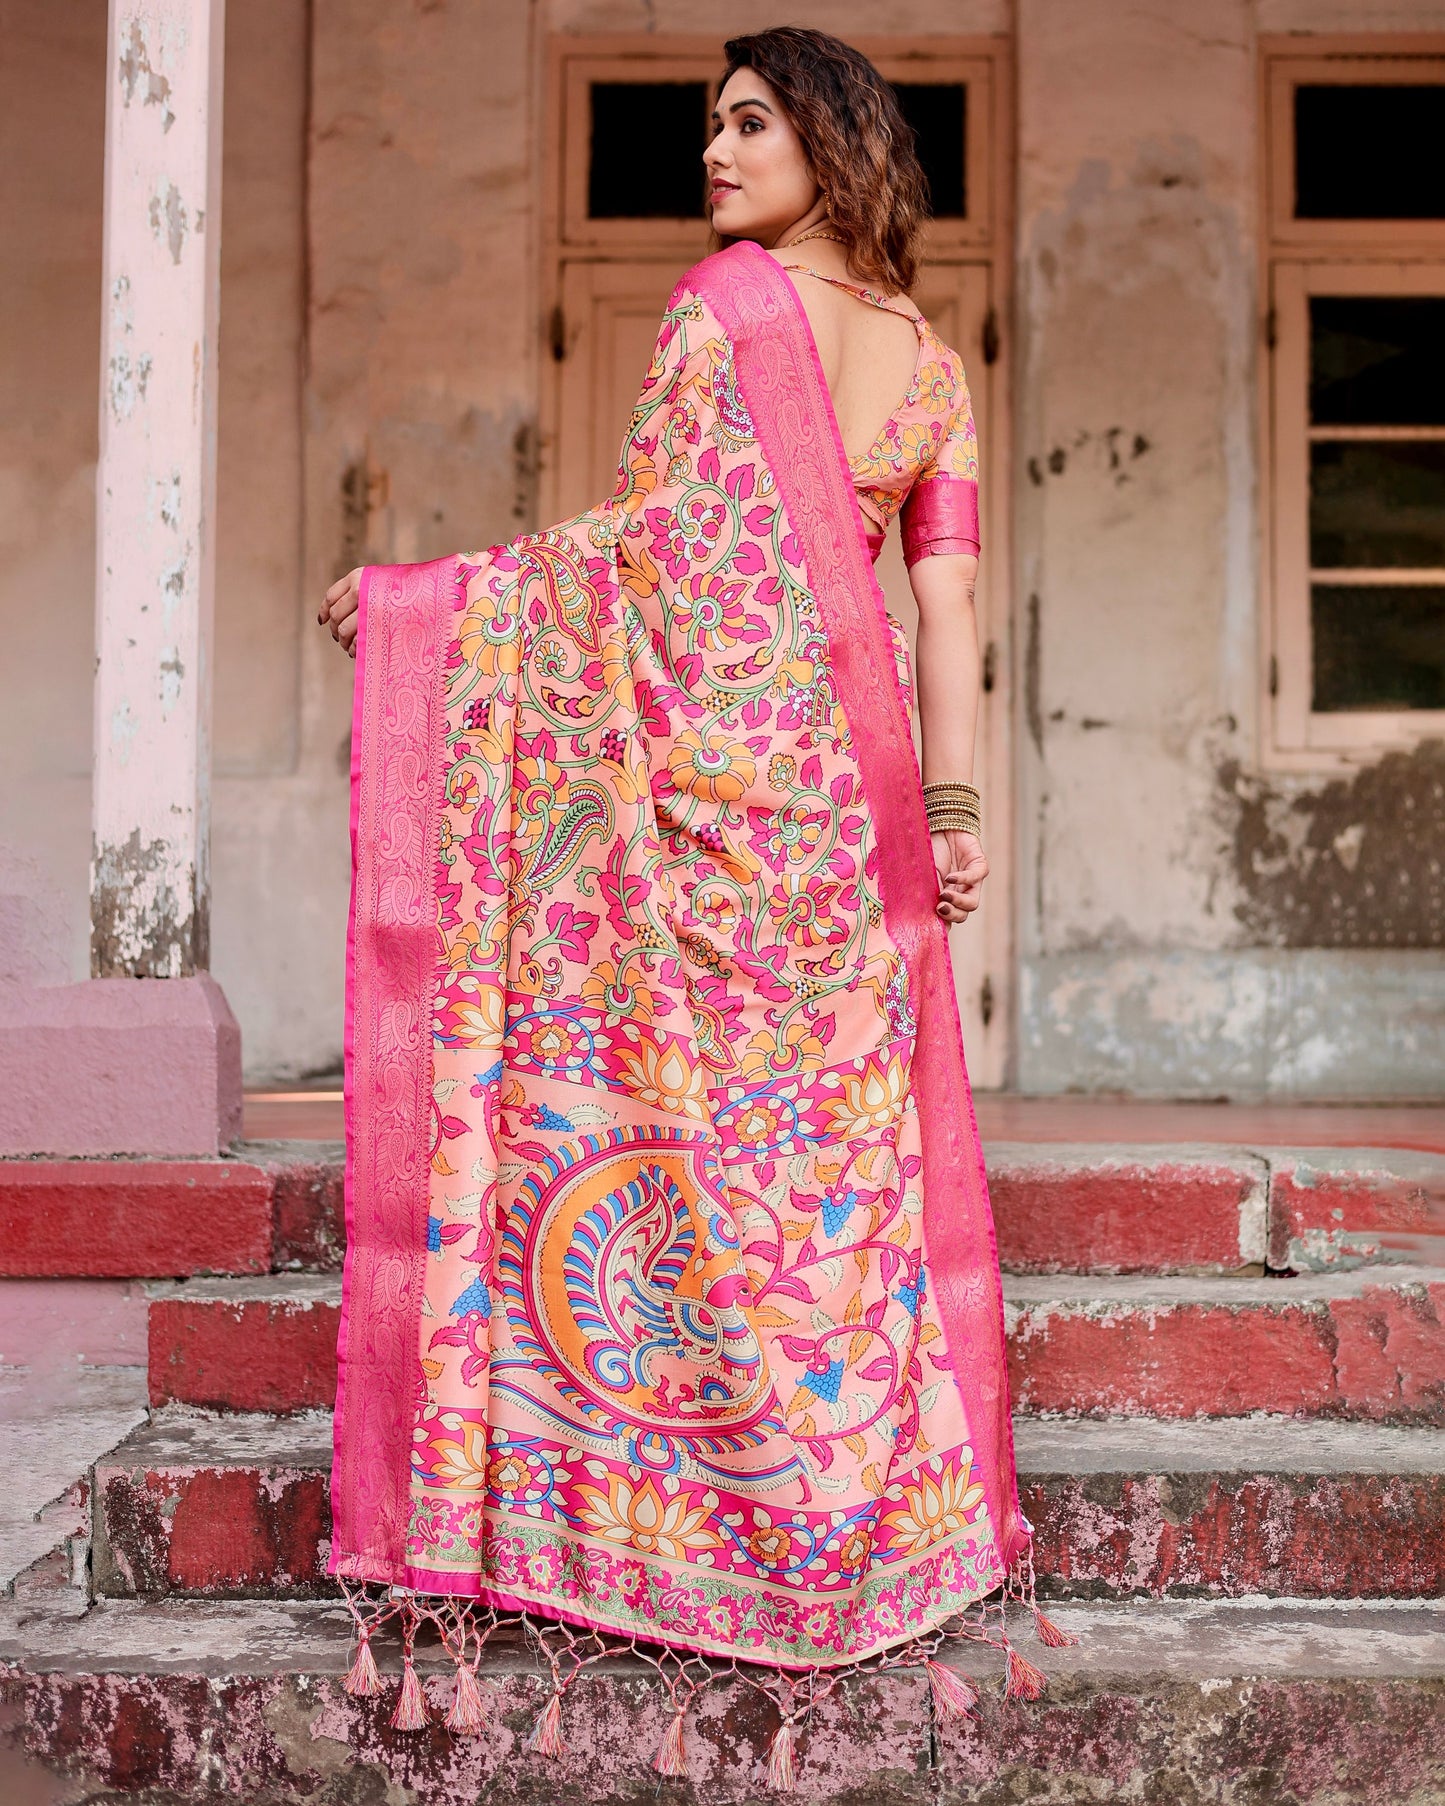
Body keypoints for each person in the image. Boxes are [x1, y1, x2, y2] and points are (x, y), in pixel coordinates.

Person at [316, 24, 1066, 1781]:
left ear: (825, 138)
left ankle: (675, 1509)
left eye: (747, 122)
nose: (715, 154)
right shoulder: (931, 366)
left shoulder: (719, 310)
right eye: (709, 127)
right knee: (822, 1163)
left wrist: (434, 604)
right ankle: (847, 1525)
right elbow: (945, 618)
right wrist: (953, 809)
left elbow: (656, 560)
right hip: (848, 793)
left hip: (714, 778)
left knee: (684, 1136)